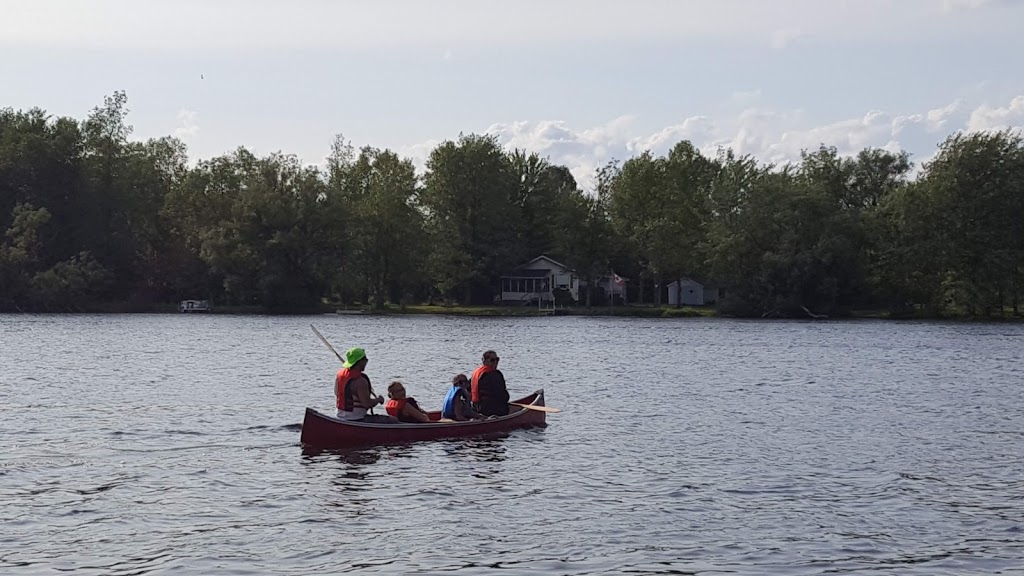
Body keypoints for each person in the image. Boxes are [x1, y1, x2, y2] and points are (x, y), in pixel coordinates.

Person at [334, 347, 396, 423]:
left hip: (339, 416)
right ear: (360, 361)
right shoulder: (360, 381)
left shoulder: (340, 375)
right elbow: (367, 404)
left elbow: (336, 392)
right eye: (365, 359)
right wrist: (378, 399)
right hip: (357, 418)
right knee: (394, 420)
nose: (367, 361)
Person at [471, 350, 510, 417]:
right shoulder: (495, 374)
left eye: (497, 359)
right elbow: (501, 393)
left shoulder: (476, 373)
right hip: (490, 410)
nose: (495, 362)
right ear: (484, 361)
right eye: (492, 360)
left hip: (476, 407)